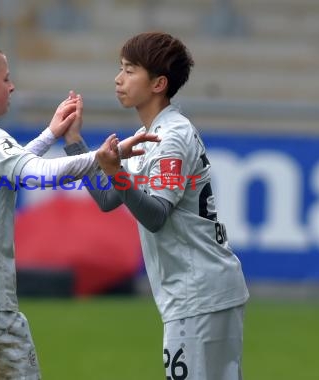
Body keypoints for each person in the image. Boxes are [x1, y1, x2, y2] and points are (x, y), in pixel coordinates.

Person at [0, 35, 156, 379]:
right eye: (6, 79)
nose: (12, 87)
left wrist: (50, 134)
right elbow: (37, 174)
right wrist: (108, 156)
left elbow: (10, 168)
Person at [64, 31, 250, 379]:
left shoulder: (170, 138)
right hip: (204, 292)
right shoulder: (152, 135)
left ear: (158, 83)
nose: (118, 79)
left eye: (130, 70)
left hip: (199, 295)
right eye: (121, 68)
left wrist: (117, 171)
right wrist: (75, 143)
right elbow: (108, 199)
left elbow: (156, 216)